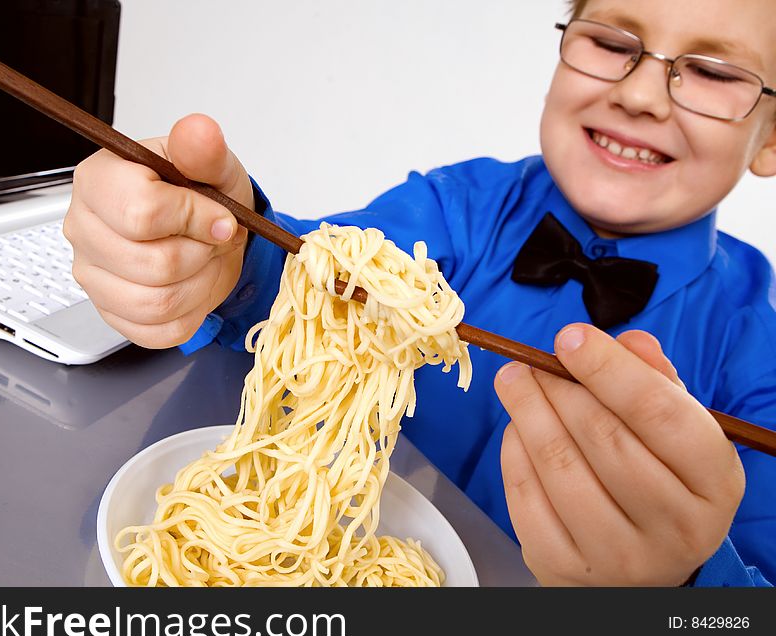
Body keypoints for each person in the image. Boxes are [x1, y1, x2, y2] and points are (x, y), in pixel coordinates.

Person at [63, 0, 776, 586]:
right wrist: (218, 250)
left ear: (771, 137)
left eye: (713, 72)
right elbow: (319, 276)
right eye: (611, 40)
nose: (641, 92)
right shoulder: (457, 206)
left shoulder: (757, 355)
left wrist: (683, 582)